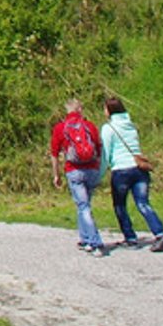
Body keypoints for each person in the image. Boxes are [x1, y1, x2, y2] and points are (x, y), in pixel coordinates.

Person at [101, 96, 163, 251]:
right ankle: (159, 233)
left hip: (121, 170)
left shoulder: (108, 128)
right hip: (139, 169)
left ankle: (130, 238)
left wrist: (99, 175)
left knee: (120, 205)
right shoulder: (131, 125)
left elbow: (106, 154)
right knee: (143, 203)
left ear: (110, 111)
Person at [49, 98, 106, 254]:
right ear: (80, 109)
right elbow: (99, 150)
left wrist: (56, 175)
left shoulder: (61, 128)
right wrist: (98, 170)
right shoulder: (89, 126)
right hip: (92, 169)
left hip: (73, 170)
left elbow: (54, 153)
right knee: (84, 205)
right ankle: (85, 239)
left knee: (83, 206)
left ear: (67, 110)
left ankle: (95, 243)